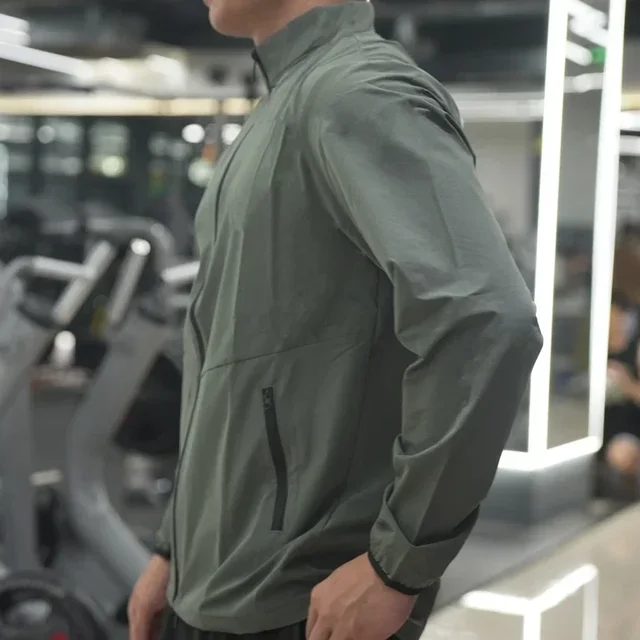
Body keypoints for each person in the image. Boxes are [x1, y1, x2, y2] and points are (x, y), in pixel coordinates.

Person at [128, 1, 543, 639]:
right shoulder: (283, 108)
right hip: (219, 586)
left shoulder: (357, 93)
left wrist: (397, 566)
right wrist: (174, 547)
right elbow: (228, 375)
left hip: (300, 602)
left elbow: (486, 324)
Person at [600, 291, 640, 496]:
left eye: (615, 316)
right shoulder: (594, 351)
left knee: (620, 454)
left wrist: (627, 384)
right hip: (595, 427)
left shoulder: (635, 352)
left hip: (627, 428)